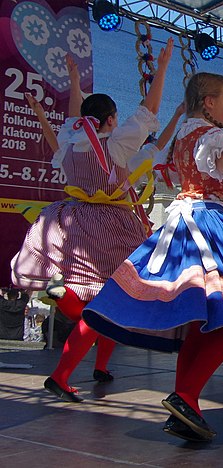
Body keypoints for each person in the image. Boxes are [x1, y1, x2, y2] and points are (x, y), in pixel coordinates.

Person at [83, 72, 223, 443]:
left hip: (183, 222)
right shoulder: (209, 135)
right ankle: (186, 396)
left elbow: (185, 170)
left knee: (202, 316)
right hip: (208, 224)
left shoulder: (187, 136)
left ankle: (185, 403)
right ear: (209, 102)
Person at [11, 41, 174, 401]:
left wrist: (73, 78)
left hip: (70, 222)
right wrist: (162, 69)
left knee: (107, 304)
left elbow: (72, 116)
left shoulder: (71, 142)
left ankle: (98, 363)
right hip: (109, 228)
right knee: (108, 305)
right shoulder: (114, 145)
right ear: (111, 120)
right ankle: (61, 374)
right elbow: (150, 110)